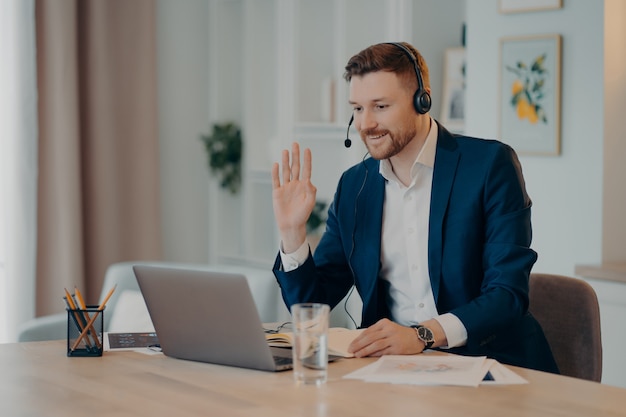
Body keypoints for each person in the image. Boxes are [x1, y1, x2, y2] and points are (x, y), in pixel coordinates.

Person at [271, 41, 558, 373]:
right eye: (358, 108)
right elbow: (311, 308)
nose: (365, 124)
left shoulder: (489, 165)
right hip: (397, 372)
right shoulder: (355, 186)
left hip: (494, 366)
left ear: (422, 100)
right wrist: (292, 234)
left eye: (380, 106)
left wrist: (422, 335)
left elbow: (507, 294)